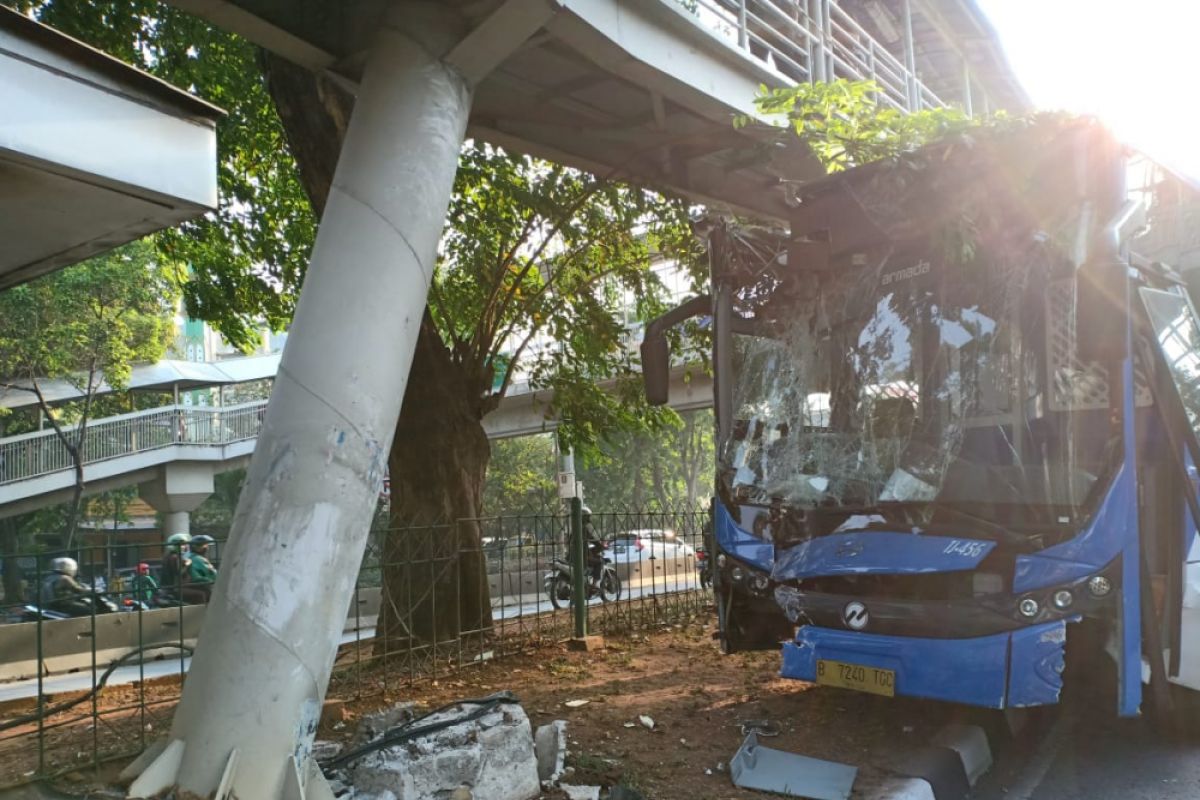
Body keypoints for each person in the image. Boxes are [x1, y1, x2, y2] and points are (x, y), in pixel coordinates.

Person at [185, 534, 218, 603]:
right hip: (199, 584)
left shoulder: (190, 556)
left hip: (195, 583)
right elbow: (212, 574)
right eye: (205, 546)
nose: (207, 548)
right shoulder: (198, 559)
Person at [160, 533, 191, 599]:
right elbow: (179, 573)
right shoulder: (175, 557)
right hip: (174, 589)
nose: (184, 547)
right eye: (182, 544)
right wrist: (187, 564)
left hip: (166, 586)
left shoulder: (167, 556)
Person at [582, 507, 605, 586]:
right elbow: (594, 539)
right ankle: (594, 585)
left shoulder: (574, 525)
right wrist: (601, 545)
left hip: (572, 555)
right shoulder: (586, 527)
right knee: (599, 562)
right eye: (588, 516)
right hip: (583, 556)